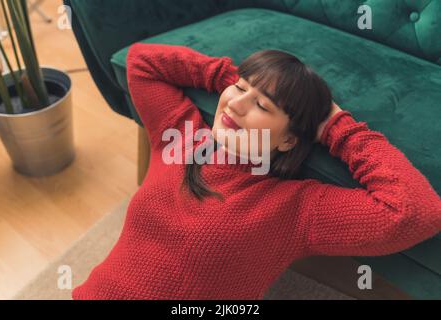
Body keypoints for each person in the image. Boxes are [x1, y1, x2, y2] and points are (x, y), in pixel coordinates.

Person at [72, 43, 441, 300]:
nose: (236, 104)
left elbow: (414, 211)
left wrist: (338, 127)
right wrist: (230, 78)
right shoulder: (182, 139)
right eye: (239, 89)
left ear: (290, 140)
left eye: (262, 104)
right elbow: (142, 62)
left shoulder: (296, 207)